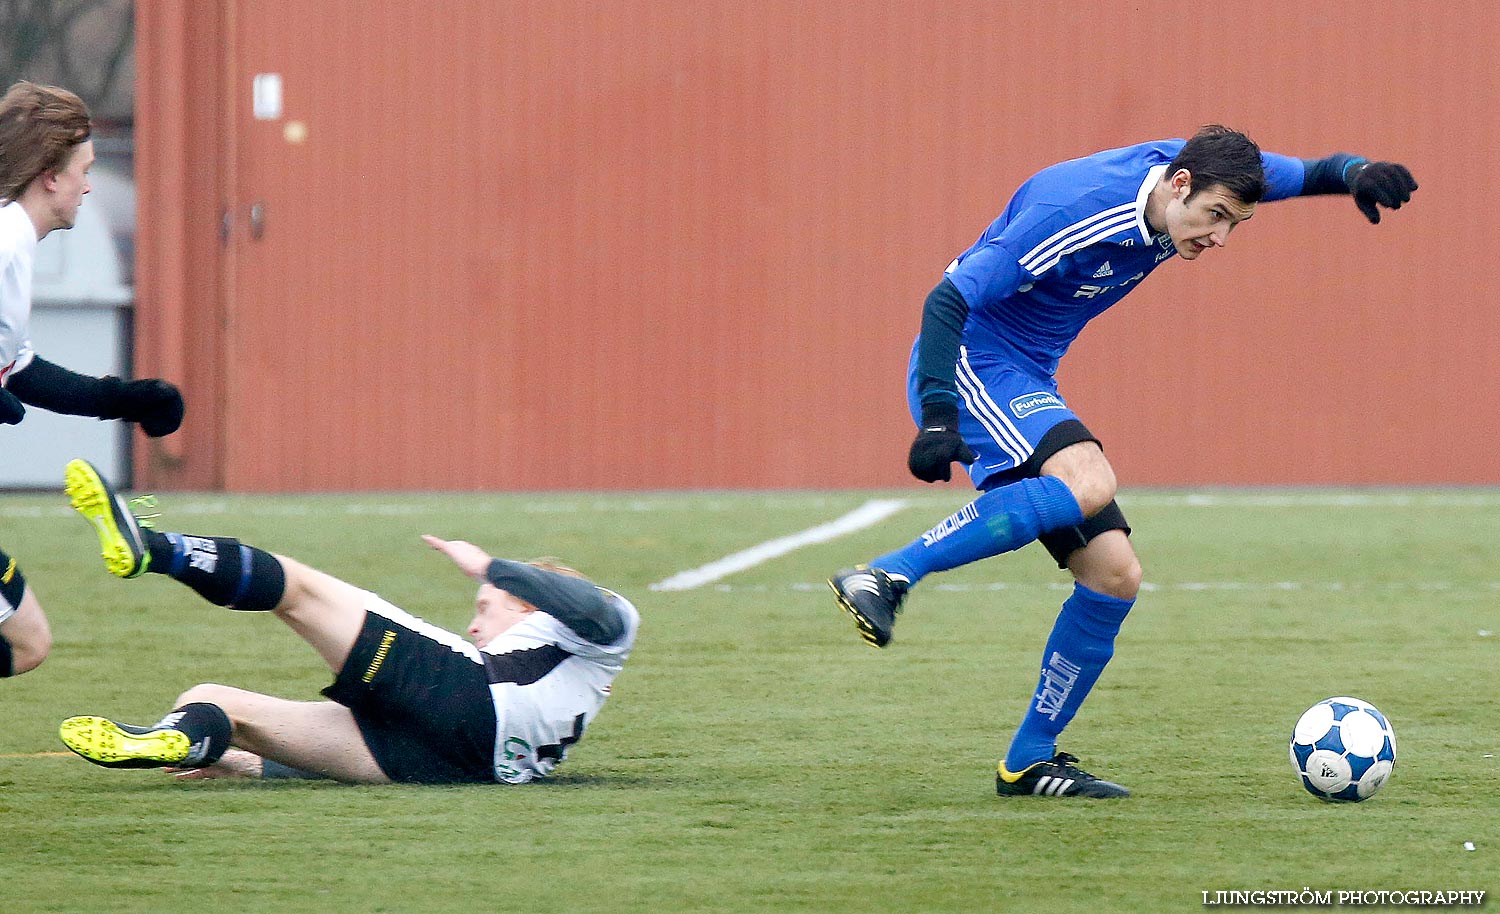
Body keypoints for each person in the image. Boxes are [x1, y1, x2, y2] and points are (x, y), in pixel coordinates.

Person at [829, 126, 1417, 799]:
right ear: (1180, 184)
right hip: (974, 361)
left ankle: (1027, 762)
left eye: (1237, 224)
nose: (1218, 238)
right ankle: (887, 577)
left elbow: (1305, 172)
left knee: (1113, 576)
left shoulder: (1210, 177)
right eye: (1215, 218)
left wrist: (1355, 171)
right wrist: (937, 413)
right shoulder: (1073, 210)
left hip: (1028, 375)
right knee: (1088, 479)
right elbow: (949, 299)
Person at [56, 459, 639, 784]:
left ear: (530, 604)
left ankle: (154, 547)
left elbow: (587, 605)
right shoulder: (568, 687)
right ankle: (183, 742)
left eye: (487, 608)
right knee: (219, 706)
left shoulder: (598, 627)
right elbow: (319, 761)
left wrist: (490, 567)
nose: (475, 626)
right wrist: (240, 766)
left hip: (471, 703)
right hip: (452, 769)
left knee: (301, 591)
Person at [0, 81, 184, 678]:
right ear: (50, 175)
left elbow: (19, 367)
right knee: (27, 642)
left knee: (28, 642)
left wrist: (121, 399)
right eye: (85, 168)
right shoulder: (5, 242)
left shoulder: (15, 245)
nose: (88, 183)